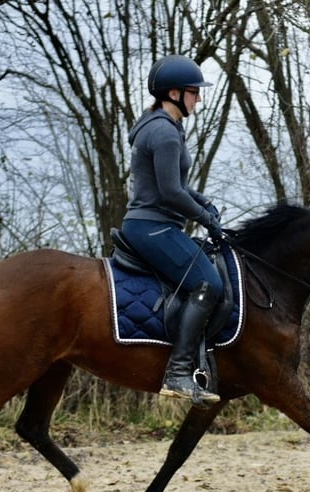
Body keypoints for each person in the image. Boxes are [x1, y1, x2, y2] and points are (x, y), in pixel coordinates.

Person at [121, 54, 224, 407]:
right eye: (194, 92)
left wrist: (202, 202)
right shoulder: (164, 131)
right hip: (152, 227)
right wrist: (205, 217)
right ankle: (179, 373)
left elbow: (176, 186)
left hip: (156, 223)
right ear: (175, 93)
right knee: (209, 283)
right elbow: (169, 194)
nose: (198, 98)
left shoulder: (163, 126)